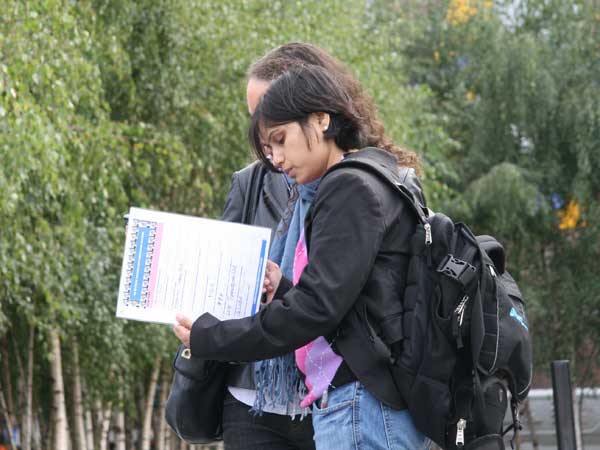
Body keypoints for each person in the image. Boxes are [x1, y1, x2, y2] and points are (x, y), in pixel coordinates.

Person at [174, 63, 431, 450]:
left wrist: (211, 336)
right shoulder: (376, 174)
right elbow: (348, 304)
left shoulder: (349, 187)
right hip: (362, 407)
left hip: (361, 410)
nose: (274, 158)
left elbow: (314, 311)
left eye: (280, 139)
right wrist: (283, 289)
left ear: (321, 119)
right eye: (267, 146)